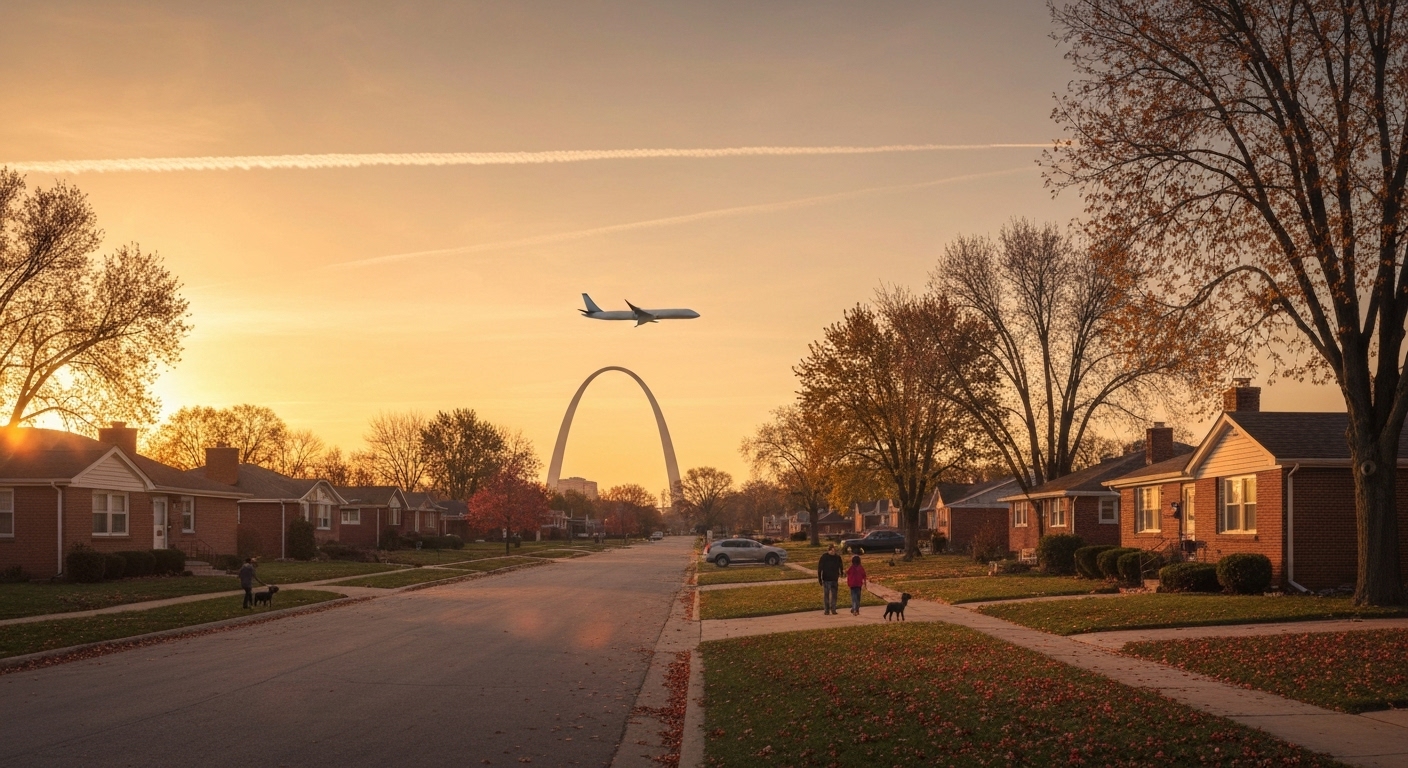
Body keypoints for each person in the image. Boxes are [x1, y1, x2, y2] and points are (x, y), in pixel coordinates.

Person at [817, 544, 843, 615]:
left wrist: (841, 572)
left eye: (834, 551)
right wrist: (820, 578)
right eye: (831, 550)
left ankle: (833, 609)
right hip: (826, 579)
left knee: (834, 595)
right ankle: (826, 610)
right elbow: (820, 568)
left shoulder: (837, 557)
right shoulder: (824, 557)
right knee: (826, 595)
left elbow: (841, 565)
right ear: (828, 550)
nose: (833, 552)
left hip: (834, 578)